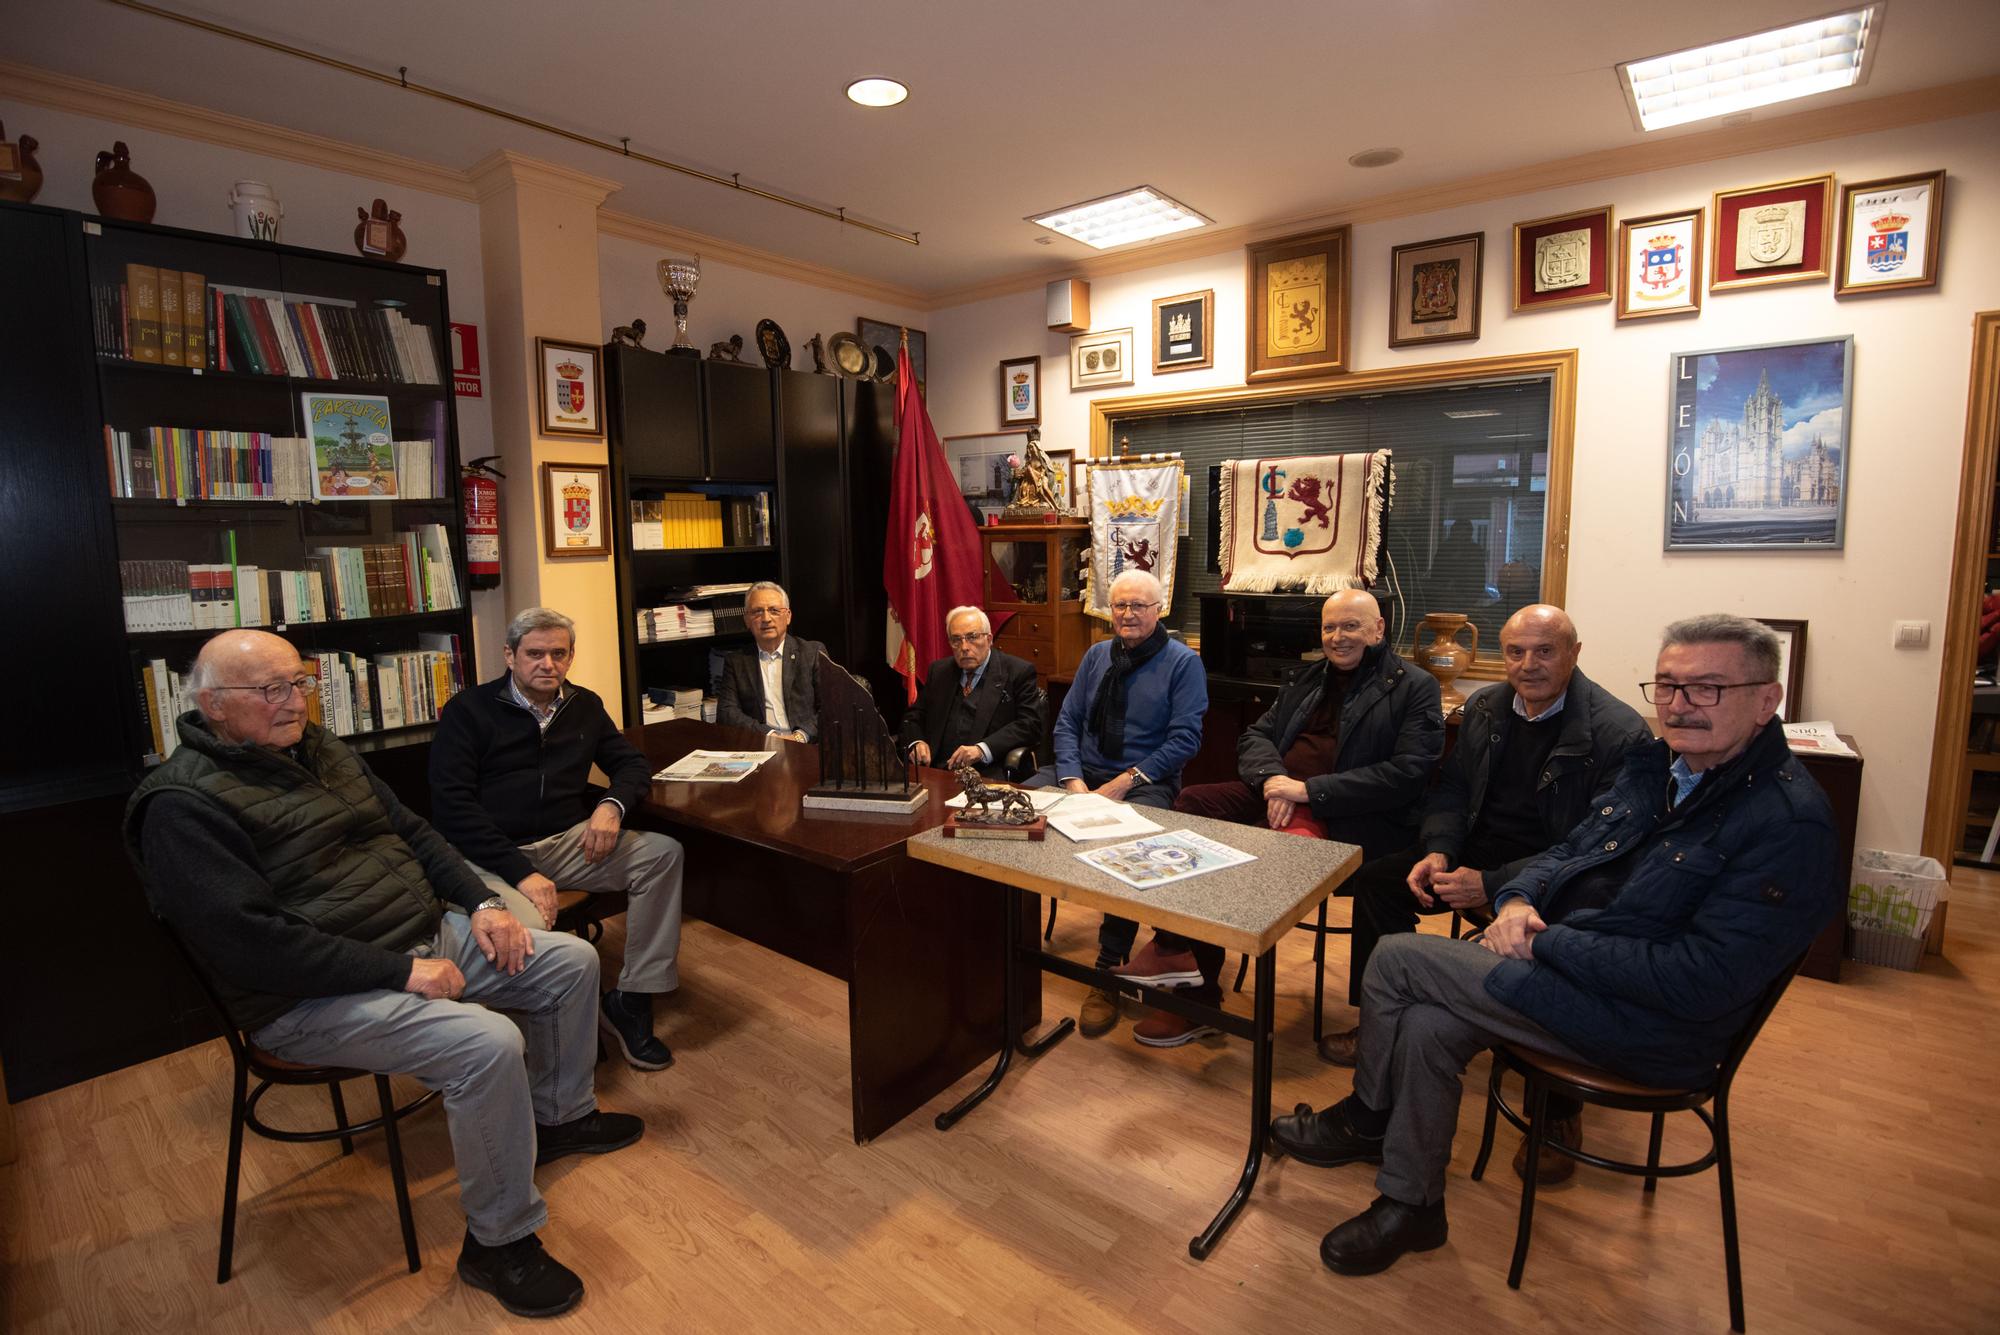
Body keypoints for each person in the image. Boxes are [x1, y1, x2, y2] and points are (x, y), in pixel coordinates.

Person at [1268, 614, 1839, 1278]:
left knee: (1399, 958)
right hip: (1584, 965)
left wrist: (1546, 943)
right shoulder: (1664, 765)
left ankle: (1369, 1117)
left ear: (1768, 699)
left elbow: (1700, 981)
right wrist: (1514, 902)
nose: (1681, 705)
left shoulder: (1786, 822)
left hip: (1653, 1028)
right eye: (1671, 686)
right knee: (1425, 1020)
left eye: (1708, 688)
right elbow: (1576, 850)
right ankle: (1412, 1201)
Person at [126, 630, 641, 1319]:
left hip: (418, 935)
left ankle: (560, 1118)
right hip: (306, 993)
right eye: (271, 689)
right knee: (487, 1046)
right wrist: (403, 972)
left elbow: (417, 832)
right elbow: (253, 947)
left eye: (300, 683)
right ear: (214, 705)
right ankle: (498, 1243)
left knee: (571, 961)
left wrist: (483, 903)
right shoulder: (182, 805)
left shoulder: (321, 750)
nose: (294, 702)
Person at [1319, 605, 1650, 1185]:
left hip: (1559, 875)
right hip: (1476, 855)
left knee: (1574, 919)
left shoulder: (1619, 732)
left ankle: (1556, 1111)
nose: (1528, 665)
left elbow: (1591, 847)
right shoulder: (1486, 708)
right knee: (1378, 879)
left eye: (1545, 651)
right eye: (1517, 652)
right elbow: (1452, 791)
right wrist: (1440, 850)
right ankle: (1380, 1024)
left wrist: (1494, 885)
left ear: (1574, 653)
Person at [1115, 588, 1442, 1047]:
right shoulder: (1308, 678)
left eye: (1351, 626)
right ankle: (1176, 952)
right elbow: (1255, 736)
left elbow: (1407, 774)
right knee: (1193, 803)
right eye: (1330, 627)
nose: (1338, 636)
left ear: (1378, 629)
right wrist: (1273, 780)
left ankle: (1197, 992)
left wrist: (1310, 791)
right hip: (1279, 794)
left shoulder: (1414, 686)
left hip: (1353, 818)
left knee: (1249, 863)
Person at [430, 607, 685, 1072]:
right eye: (534, 654)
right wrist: (523, 873)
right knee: (527, 935)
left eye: (558, 654)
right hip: (492, 854)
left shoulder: (583, 704)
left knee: (663, 854)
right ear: (510, 656)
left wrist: (612, 807)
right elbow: (453, 808)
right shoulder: (469, 711)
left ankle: (632, 997)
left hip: (567, 841)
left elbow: (630, 765)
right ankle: (537, 1052)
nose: (547, 664)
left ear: (570, 657)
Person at [1028, 569, 1207, 1039]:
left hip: (1147, 779)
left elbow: (1185, 740)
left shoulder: (1182, 663)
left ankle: (1108, 969)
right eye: (1120, 605)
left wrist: (1127, 781)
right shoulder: (1095, 656)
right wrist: (1072, 780)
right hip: (1082, 774)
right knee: (1019, 807)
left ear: (1158, 609)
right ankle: (1012, 943)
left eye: (1138, 606)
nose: (1127, 614)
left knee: (1128, 846)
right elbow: (1065, 723)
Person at [898, 605, 1046, 777]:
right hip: (936, 771)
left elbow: (1029, 725)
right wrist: (916, 742)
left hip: (986, 773)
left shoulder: (1017, 672)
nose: (964, 647)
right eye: (956, 640)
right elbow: (913, 716)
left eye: (972, 637)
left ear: (989, 639)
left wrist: (981, 750)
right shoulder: (939, 671)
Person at [715, 581, 823, 742]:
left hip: (805, 745)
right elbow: (726, 712)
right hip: (762, 744)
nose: (766, 618)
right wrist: (770, 736)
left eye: (774, 610)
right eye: (757, 612)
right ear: (747, 620)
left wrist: (800, 736)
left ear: (788, 616)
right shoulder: (737, 661)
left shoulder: (812, 653)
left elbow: (830, 707)